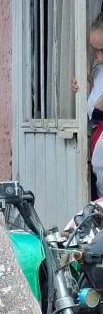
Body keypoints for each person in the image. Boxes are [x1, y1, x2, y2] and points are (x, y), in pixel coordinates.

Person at [72, 11, 103, 196]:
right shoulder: (98, 66)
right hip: (94, 136)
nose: (99, 56)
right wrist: (81, 84)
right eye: (95, 50)